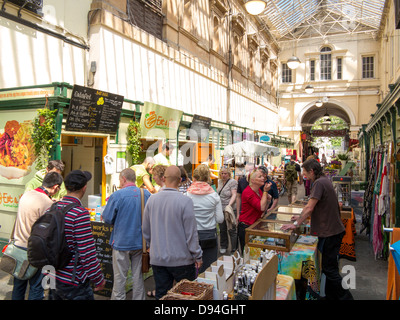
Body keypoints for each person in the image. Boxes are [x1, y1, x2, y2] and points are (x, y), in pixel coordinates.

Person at [281, 159, 353, 300]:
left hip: (330, 232)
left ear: (312, 171)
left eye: (305, 173)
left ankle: (346, 297)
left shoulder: (319, 183)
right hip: (332, 230)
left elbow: (310, 207)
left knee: (330, 269)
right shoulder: (323, 180)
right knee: (329, 267)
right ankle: (333, 295)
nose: (304, 176)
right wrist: (301, 216)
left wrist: (296, 223)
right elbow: (316, 207)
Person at [142, 165, 203, 300]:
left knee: (162, 295)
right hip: (182, 260)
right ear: (180, 180)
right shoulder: (185, 201)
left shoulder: (152, 199)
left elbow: (145, 229)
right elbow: (191, 233)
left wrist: (152, 245)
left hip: (158, 259)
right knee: (185, 296)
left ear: (164, 178)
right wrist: (197, 255)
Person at [48, 170, 105, 300]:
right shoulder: (80, 214)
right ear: (84, 188)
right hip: (73, 281)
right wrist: (98, 278)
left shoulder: (53, 207)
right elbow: (87, 252)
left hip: (53, 276)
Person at [12, 171, 63, 300]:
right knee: (36, 288)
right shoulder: (48, 204)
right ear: (56, 187)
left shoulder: (26, 195)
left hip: (18, 248)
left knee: (18, 286)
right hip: (35, 252)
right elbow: (50, 232)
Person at [102, 168, 151, 300]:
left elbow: (107, 218)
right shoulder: (146, 194)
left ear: (123, 179)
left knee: (119, 279)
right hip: (140, 242)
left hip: (121, 242)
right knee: (138, 278)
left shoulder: (117, 195)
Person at [187, 165, 223, 273]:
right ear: (208, 178)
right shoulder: (214, 196)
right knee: (208, 268)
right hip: (209, 235)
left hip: (191, 235)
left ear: (194, 178)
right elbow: (220, 219)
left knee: (191, 268)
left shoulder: (187, 195)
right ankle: (206, 288)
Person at [237, 170, 272, 254]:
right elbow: (261, 207)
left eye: (263, 176)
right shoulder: (248, 192)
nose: (263, 178)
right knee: (248, 254)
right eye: (259, 176)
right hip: (247, 227)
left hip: (255, 225)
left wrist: (268, 200)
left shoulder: (259, 191)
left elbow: (264, 210)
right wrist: (266, 192)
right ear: (252, 180)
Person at [217, 166, 238, 254]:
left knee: (231, 229)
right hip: (220, 208)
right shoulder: (220, 182)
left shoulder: (232, 182)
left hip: (229, 209)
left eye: (225, 173)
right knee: (222, 228)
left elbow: (234, 195)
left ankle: (234, 248)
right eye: (222, 173)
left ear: (229, 174)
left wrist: (229, 205)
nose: (223, 175)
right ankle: (223, 245)